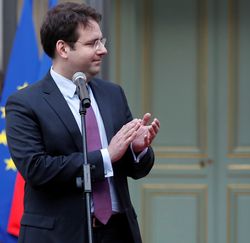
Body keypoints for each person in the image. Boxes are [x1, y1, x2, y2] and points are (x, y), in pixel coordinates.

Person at [5, 2, 160, 243]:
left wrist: (136, 149)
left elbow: (134, 169)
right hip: (59, 235)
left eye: (102, 41)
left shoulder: (113, 94)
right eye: (92, 43)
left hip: (118, 232)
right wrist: (107, 155)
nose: (103, 50)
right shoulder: (24, 103)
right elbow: (36, 169)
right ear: (63, 48)